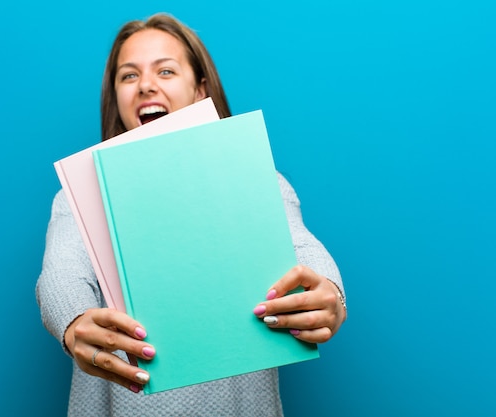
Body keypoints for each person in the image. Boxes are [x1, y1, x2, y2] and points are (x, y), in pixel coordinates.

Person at [36, 13, 347, 417]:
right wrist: (73, 321)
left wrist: (331, 294)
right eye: (128, 76)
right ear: (116, 97)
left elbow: (302, 246)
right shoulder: (79, 196)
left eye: (165, 70)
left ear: (201, 90)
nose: (146, 84)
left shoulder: (254, 179)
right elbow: (60, 274)